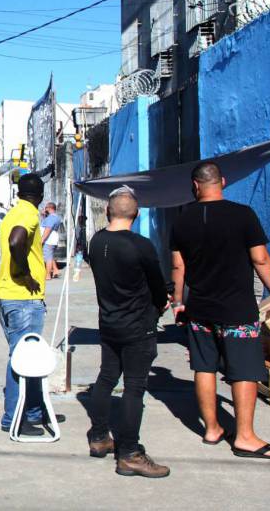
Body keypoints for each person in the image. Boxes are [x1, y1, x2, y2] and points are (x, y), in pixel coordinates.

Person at [170, 162, 270, 460]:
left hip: (199, 308)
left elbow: (178, 266)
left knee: (204, 366)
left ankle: (211, 429)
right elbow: (260, 260)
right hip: (237, 309)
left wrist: (177, 301)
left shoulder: (182, 221)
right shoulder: (243, 215)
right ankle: (245, 437)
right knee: (244, 369)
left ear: (195, 186)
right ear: (221, 182)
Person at [86, 186, 171, 478]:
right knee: (134, 387)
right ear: (136, 214)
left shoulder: (96, 242)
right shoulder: (140, 245)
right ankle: (130, 452)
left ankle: (98, 436)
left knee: (107, 376)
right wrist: (161, 305)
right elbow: (158, 287)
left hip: (109, 322)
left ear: (109, 211)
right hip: (137, 326)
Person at [0, 173, 64, 436]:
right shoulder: (27, 214)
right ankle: (13, 418)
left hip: (9, 294)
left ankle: (32, 411)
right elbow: (16, 241)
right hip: (23, 298)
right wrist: (25, 275)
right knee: (22, 360)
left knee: (28, 357)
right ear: (41, 194)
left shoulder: (13, 213)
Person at [40, 202, 62, 279]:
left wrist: (42, 240)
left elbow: (48, 229)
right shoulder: (55, 217)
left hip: (49, 240)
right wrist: (43, 215)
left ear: (49, 208)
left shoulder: (51, 218)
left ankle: (48, 275)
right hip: (52, 239)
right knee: (50, 256)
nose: (45, 209)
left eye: (46, 208)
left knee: (48, 258)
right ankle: (55, 270)